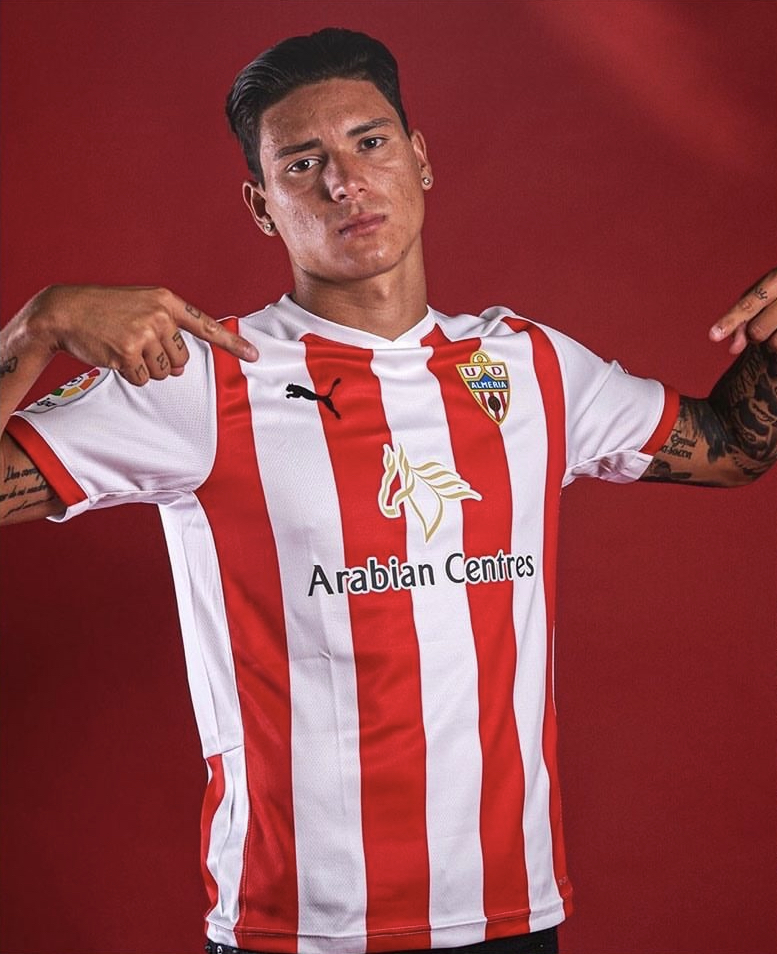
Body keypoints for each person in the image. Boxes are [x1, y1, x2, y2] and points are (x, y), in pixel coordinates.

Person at [0, 26, 775, 954]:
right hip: (297, 926)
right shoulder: (199, 379)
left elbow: (734, 447)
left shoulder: (528, 365)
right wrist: (33, 331)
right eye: (302, 164)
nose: (344, 182)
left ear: (420, 158)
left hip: (510, 911)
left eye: (369, 143)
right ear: (260, 206)